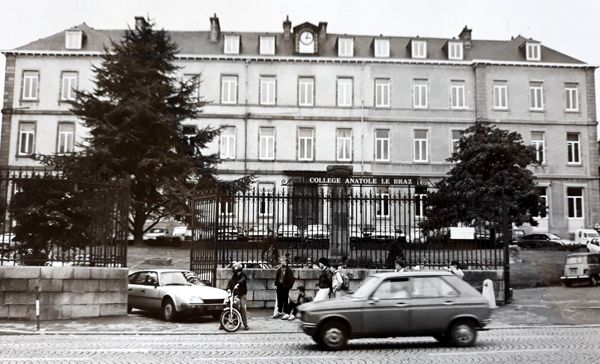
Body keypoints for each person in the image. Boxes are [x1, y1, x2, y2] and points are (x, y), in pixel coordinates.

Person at [220, 261, 249, 330]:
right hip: (235, 294)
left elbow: (243, 280)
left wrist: (238, 284)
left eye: (238, 271)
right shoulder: (234, 276)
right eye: (236, 272)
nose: (237, 273)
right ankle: (223, 323)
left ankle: (245, 324)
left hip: (242, 294)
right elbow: (230, 282)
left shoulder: (243, 275)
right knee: (229, 305)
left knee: (242, 307)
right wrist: (228, 289)